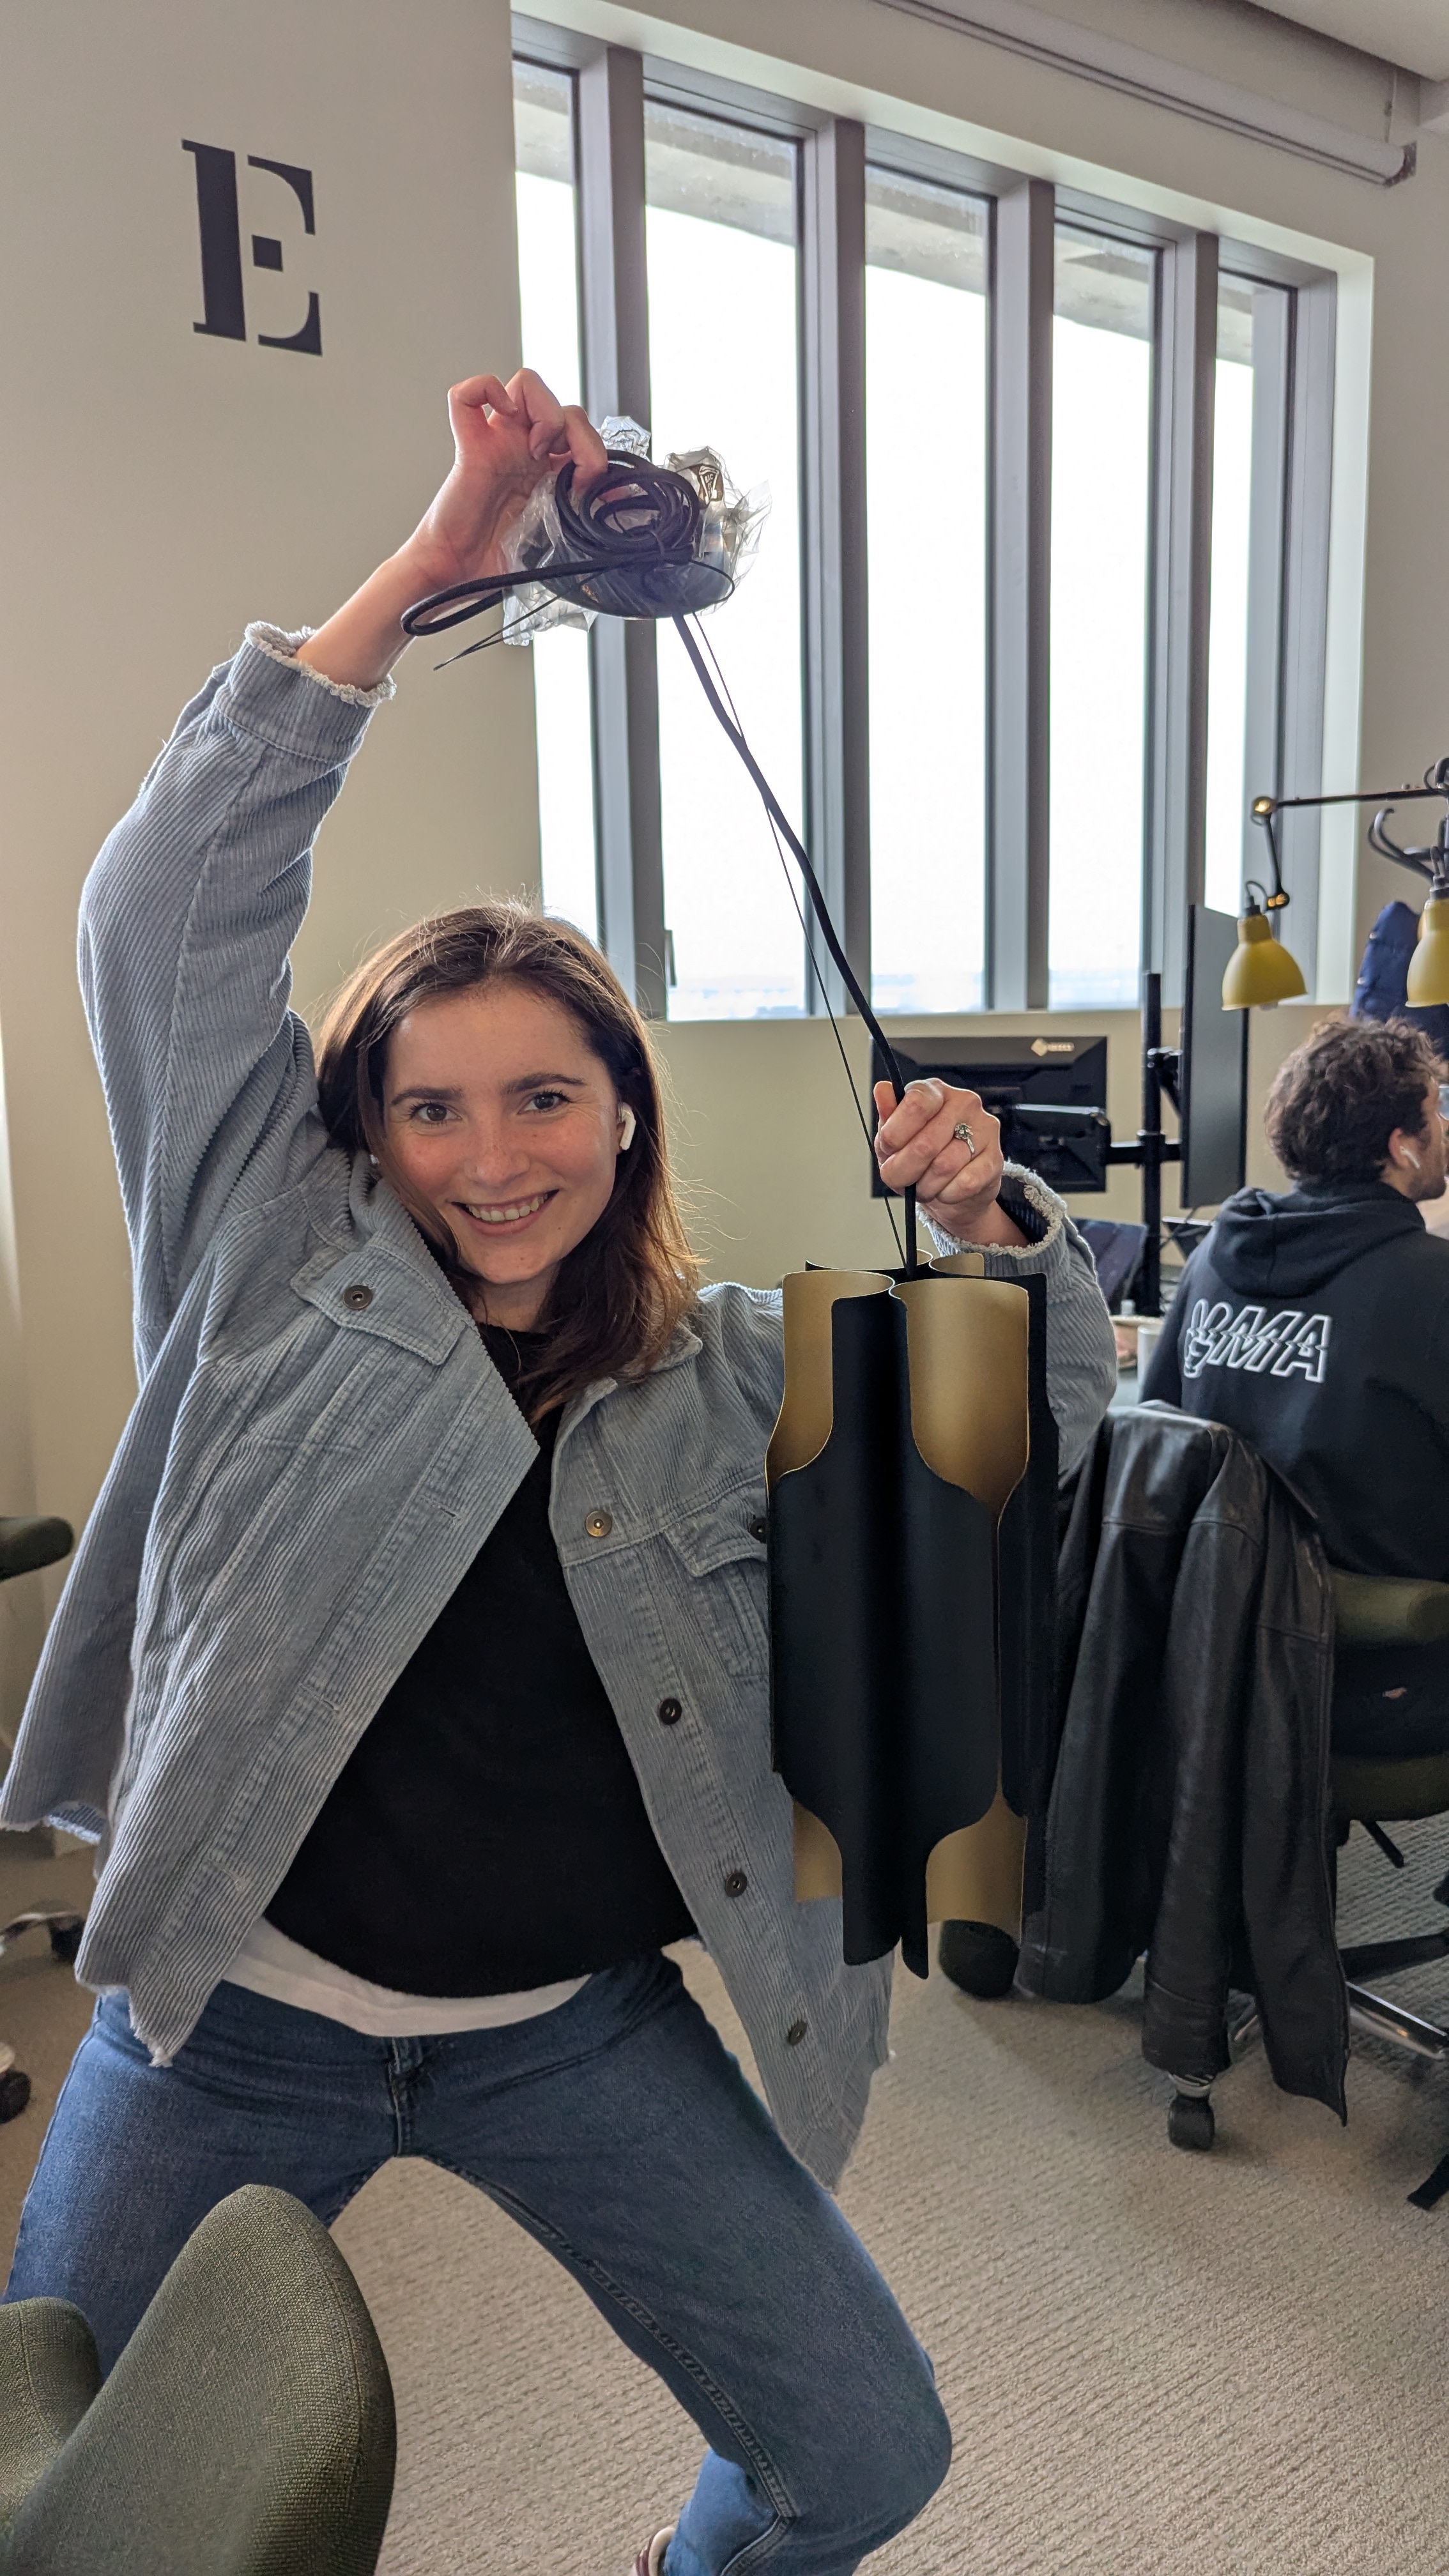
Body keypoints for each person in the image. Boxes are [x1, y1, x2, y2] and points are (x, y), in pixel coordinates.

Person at [1, 368, 1117, 2575]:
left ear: (623, 1118)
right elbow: (163, 919)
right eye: (431, 1108)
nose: (491, 1160)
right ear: (362, 1134)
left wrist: (999, 1224)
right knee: (69, 2506)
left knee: (862, 2456)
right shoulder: (260, 1265)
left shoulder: (721, 1373)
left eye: (543, 1100)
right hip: (233, 2010)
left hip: (566, 2031)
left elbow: (1039, 1413)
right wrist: (438, 564)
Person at [1144, 1013, 1449, 1758]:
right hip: (1382, 1675)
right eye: (1438, 1108)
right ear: (1400, 1146)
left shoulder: (1218, 1252)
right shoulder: (1432, 1285)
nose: (1446, 1125)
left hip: (1225, 1657)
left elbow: (1155, 1424)